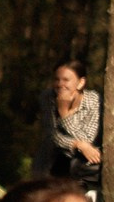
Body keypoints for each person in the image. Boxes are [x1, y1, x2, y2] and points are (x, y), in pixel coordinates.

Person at [34, 60, 103, 188]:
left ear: (81, 82)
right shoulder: (47, 97)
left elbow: (88, 139)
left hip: (81, 167)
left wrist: (64, 113)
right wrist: (77, 144)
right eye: (57, 79)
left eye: (66, 80)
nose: (60, 84)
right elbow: (53, 136)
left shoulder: (93, 101)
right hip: (50, 163)